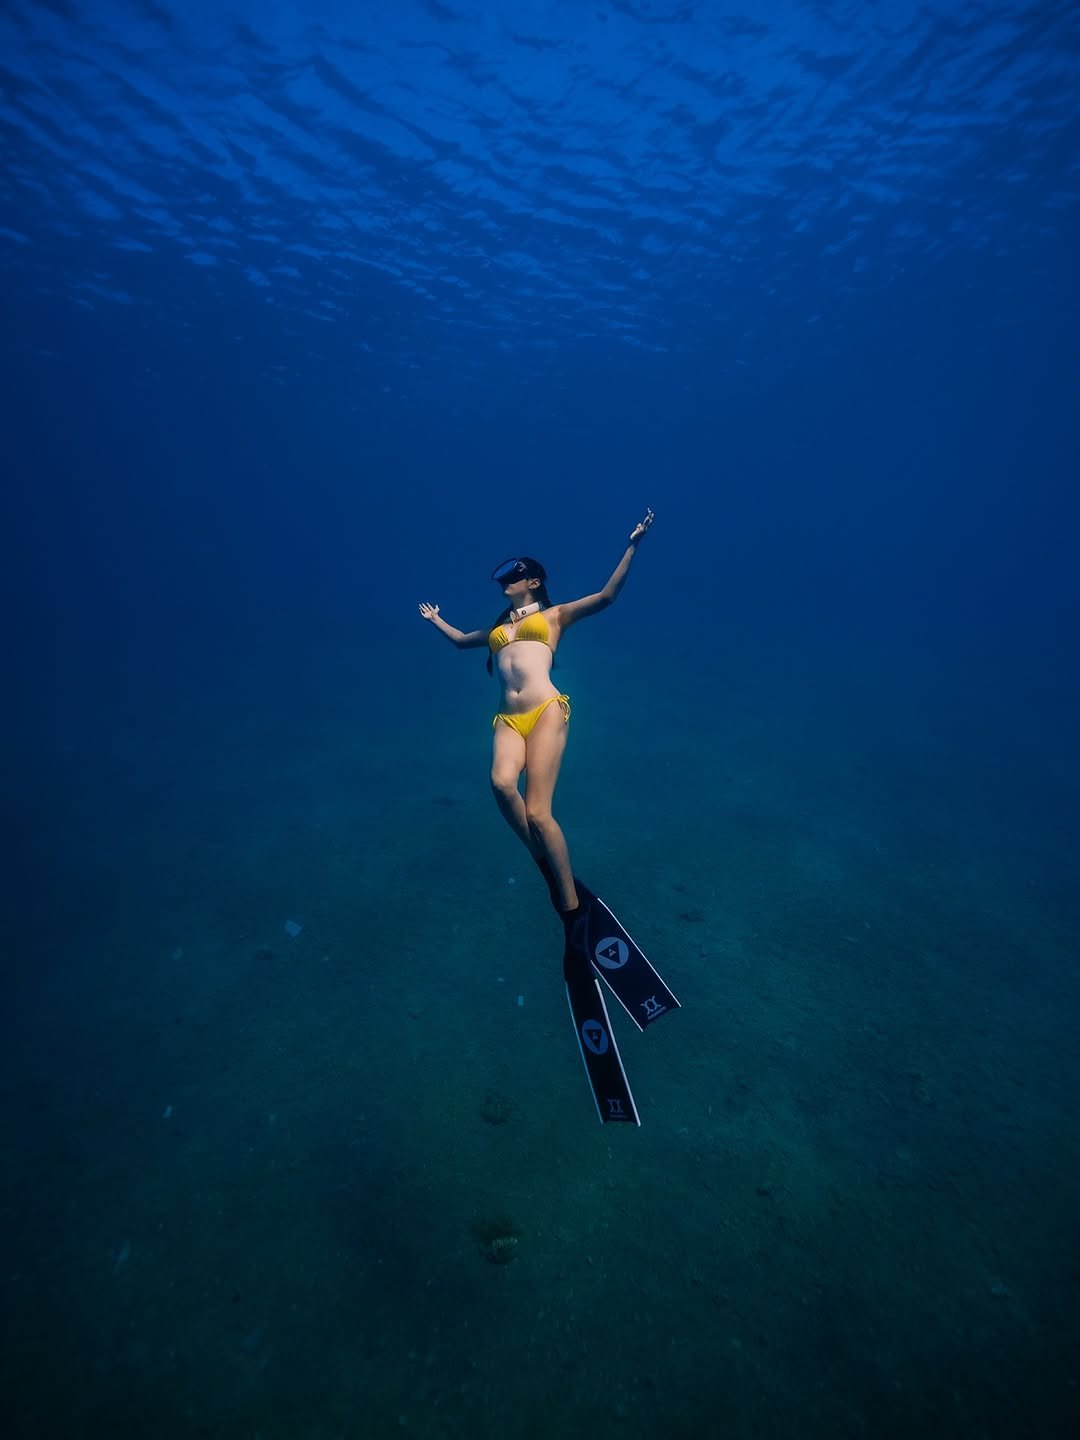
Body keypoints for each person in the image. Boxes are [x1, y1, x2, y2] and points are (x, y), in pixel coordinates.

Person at [418, 509, 654, 935]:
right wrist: (436, 620)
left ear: (534, 582)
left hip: (545, 709)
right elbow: (459, 642)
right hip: (508, 719)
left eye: (515, 576)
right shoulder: (497, 628)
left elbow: (605, 597)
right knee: (501, 785)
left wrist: (632, 544)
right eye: (504, 578)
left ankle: (571, 908)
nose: (506, 583)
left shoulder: (555, 616)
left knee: (539, 812)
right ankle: (544, 863)